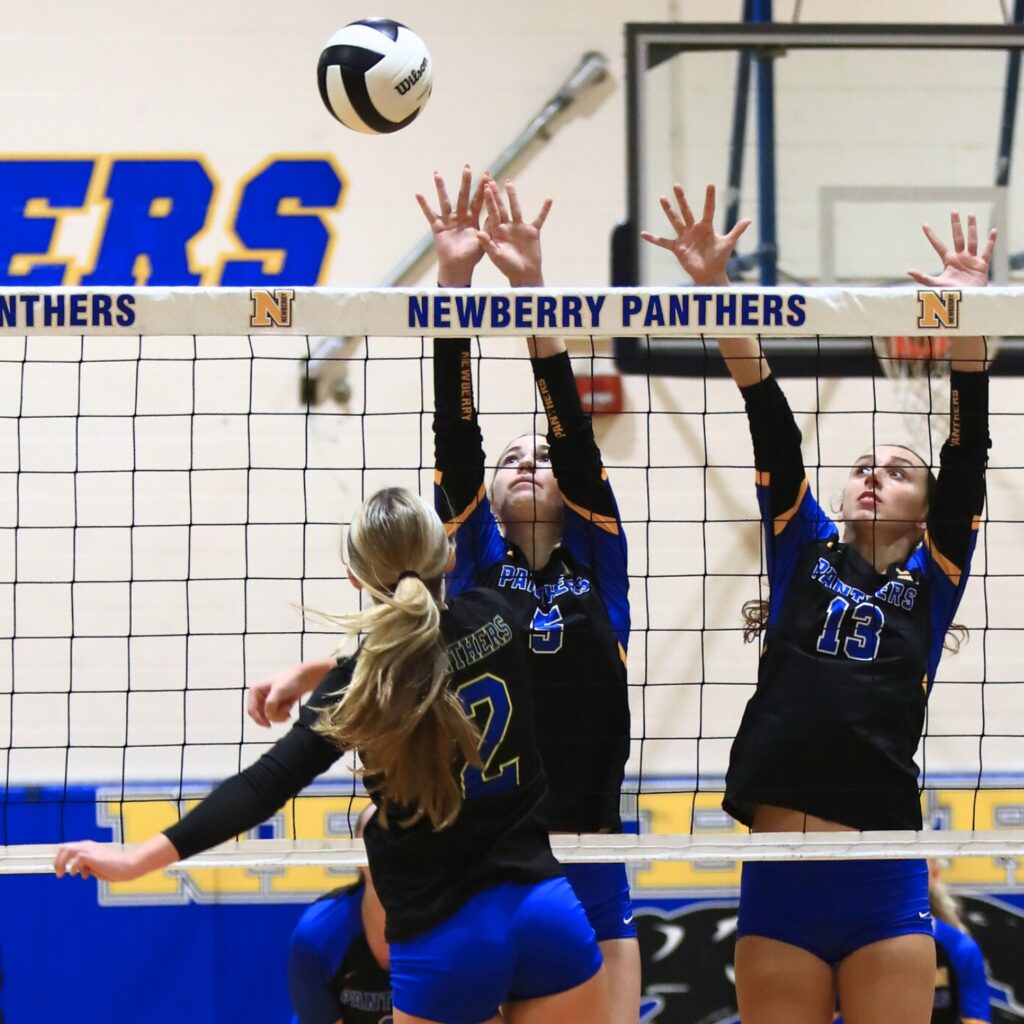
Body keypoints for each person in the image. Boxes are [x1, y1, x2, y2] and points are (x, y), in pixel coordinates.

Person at [252, 167, 639, 1024]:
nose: (530, 460)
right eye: (512, 462)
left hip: (594, 854)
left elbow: (573, 431)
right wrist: (455, 286)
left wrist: (531, 290)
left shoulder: (600, 559)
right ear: (479, 511)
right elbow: (455, 435)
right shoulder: (468, 577)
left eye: (540, 457)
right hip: (489, 862)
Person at [55, 487, 610, 1024]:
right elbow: (437, 655)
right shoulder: (497, 615)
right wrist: (315, 672)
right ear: (450, 554)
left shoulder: (357, 688)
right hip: (546, 913)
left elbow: (265, 785)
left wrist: (135, 860)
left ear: (354, 576)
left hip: (446, 943)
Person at [642, 184, 994, 1024]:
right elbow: (771, 420)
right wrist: (715, 294)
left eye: (899, 470)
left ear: (926, 509)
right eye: (865, 465)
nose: (873, 473)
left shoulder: (936, 573)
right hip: (780, 875)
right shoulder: (804, 546)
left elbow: (970, 441)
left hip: (881, 877)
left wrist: (966, 316)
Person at [287, 803, 392, 1024]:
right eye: (376, 834)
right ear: (354, 856)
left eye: (397, 834)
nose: (387, 847)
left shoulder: (452, 926)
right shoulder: (317, 933)